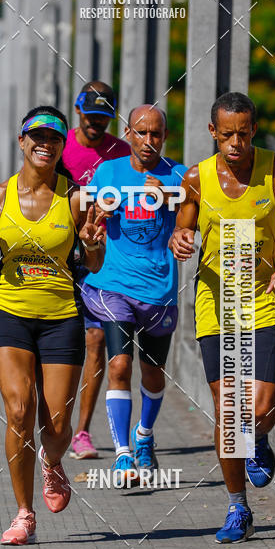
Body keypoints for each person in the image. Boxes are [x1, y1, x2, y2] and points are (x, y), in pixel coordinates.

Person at [169, 91, 275, 543]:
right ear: (213, 132)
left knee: (261, 408)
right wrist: (179, 239)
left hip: (262, 298)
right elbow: (183, 227)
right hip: (216, 303)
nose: (236, 143)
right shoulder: (197, 178)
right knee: (228, 412)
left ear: (254, 129)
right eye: (227, 134)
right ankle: (238, 508)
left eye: (244, 134)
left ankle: (258, 438)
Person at [0, 105, 106, 546]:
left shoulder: (77, 199)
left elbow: (95, 263)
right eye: (38, 136)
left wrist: (91, 245)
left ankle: (52, 461)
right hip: (9, 313)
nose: (45, 144)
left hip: (61, 317)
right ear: (22, 141)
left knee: (58, 427)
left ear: (62, 146)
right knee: (19, 410)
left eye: (54, 138)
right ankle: (24, 514)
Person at [80, 105, 186, 485]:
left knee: (153, 373)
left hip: (159, 291)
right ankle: (123, 454)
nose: (148, 141)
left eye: (156, 134)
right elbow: (90, 220)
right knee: (119, 366)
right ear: (128, 133)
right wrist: (94, 224)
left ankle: (144, 434)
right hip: (114, 284)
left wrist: (170, 196)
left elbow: (195, 217)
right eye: (141, 132)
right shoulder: (109, 172)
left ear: (165, 136)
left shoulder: (179, 175)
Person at [62, 81, 131, 460]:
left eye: (103, 118)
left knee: (96, 341)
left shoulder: (122, 153)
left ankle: (82, 432)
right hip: (59, 258)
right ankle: (53, 420)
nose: (96, 124)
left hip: (103, 259)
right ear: (78, 111)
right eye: (90, 116)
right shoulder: (61, 148)